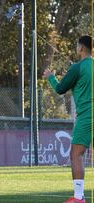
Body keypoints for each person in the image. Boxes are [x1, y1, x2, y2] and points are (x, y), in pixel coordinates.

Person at [43, 35, 92, 203]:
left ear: (81, 49)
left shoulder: (77, 68)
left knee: (76, 154)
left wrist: (50, 76)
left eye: (77, 46)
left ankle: (79, 198)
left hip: (87, 115)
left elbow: (60, 89)